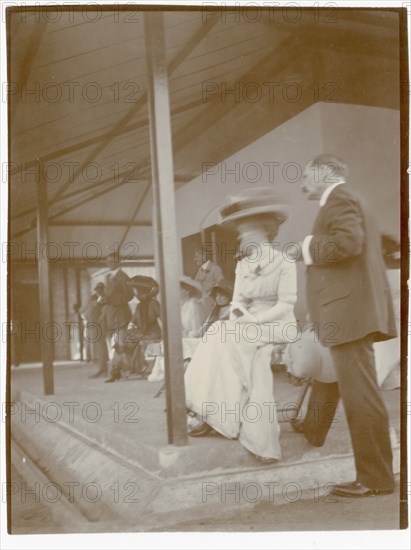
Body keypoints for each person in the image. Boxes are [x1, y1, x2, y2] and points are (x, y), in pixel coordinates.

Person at [290, 153, 396, 497]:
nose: (303, 181)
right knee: (358, 395)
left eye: (307, 174)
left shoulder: (339, 198)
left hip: (349, 317)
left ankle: (374, 479)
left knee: (361, 398)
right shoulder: (348, 199)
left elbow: (348, 244)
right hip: (350, 315)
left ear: (324, 173)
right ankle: (376, 476)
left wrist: (305, 247)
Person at [184, 187, 297, 463]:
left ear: (266, 233)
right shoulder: (243, 265)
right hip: (247, 322)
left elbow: (286, 304)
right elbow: (237, 301)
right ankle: (215, 411)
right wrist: (238, 315)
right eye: (242, 234)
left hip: (277, 322)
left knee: (236, 341)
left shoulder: (284, 262)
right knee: (218, 334)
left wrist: (254, 320)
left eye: (250, 233)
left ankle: (245, 428)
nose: (243, 238)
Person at [147, 277, 205, 382]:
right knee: (166, 345)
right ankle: (171, 373)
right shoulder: (184, 306)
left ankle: (177, 374)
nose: (176, 292)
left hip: (197, 341)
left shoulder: (194, 305)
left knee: (173, 347)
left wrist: (185, 336)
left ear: (187, 291)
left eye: (178, 289)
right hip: (188, 339)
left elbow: (199, 330)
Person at [106, 275, 162, 382]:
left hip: (153, 334)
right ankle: (118, 371)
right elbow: (132, 322)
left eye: (140, 292)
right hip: (140, 333)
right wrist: (129, 332)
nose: (138, 295)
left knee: (126, 340)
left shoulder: (154, 304)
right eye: (138, 293)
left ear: (146, 292)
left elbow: (164, 320)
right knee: (121, 341)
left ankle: (132, 369)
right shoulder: (139, 306)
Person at [98, 252, 134, 382]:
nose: (109, 264)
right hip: (110, 315)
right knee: (115, 343)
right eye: (107, 261)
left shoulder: (123, 277)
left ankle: (120, 371)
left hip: (120, 314)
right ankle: (119, 371)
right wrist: (103, 299)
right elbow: (107, 294)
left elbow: (129, 295)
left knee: (121, 343)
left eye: (112, 261)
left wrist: (113, 300)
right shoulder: (108, 277)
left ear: (118, 262)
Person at [88, 282, 109, 378]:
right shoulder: (93, 298)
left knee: (102, 347)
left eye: (101, 288)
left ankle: (104, 369)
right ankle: (103, 368)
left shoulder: (105, 297)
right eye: (98, 289)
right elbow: (93, 305)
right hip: (95, 324)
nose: (100, 290)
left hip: (103, 324)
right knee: (100, 347)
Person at [194, 249, 223, 315]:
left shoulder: (215, 268)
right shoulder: (200, 269)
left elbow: (221, 286)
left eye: (196, 256)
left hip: (212, 304)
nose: (194, 259)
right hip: (202, 303)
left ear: (204, 257)